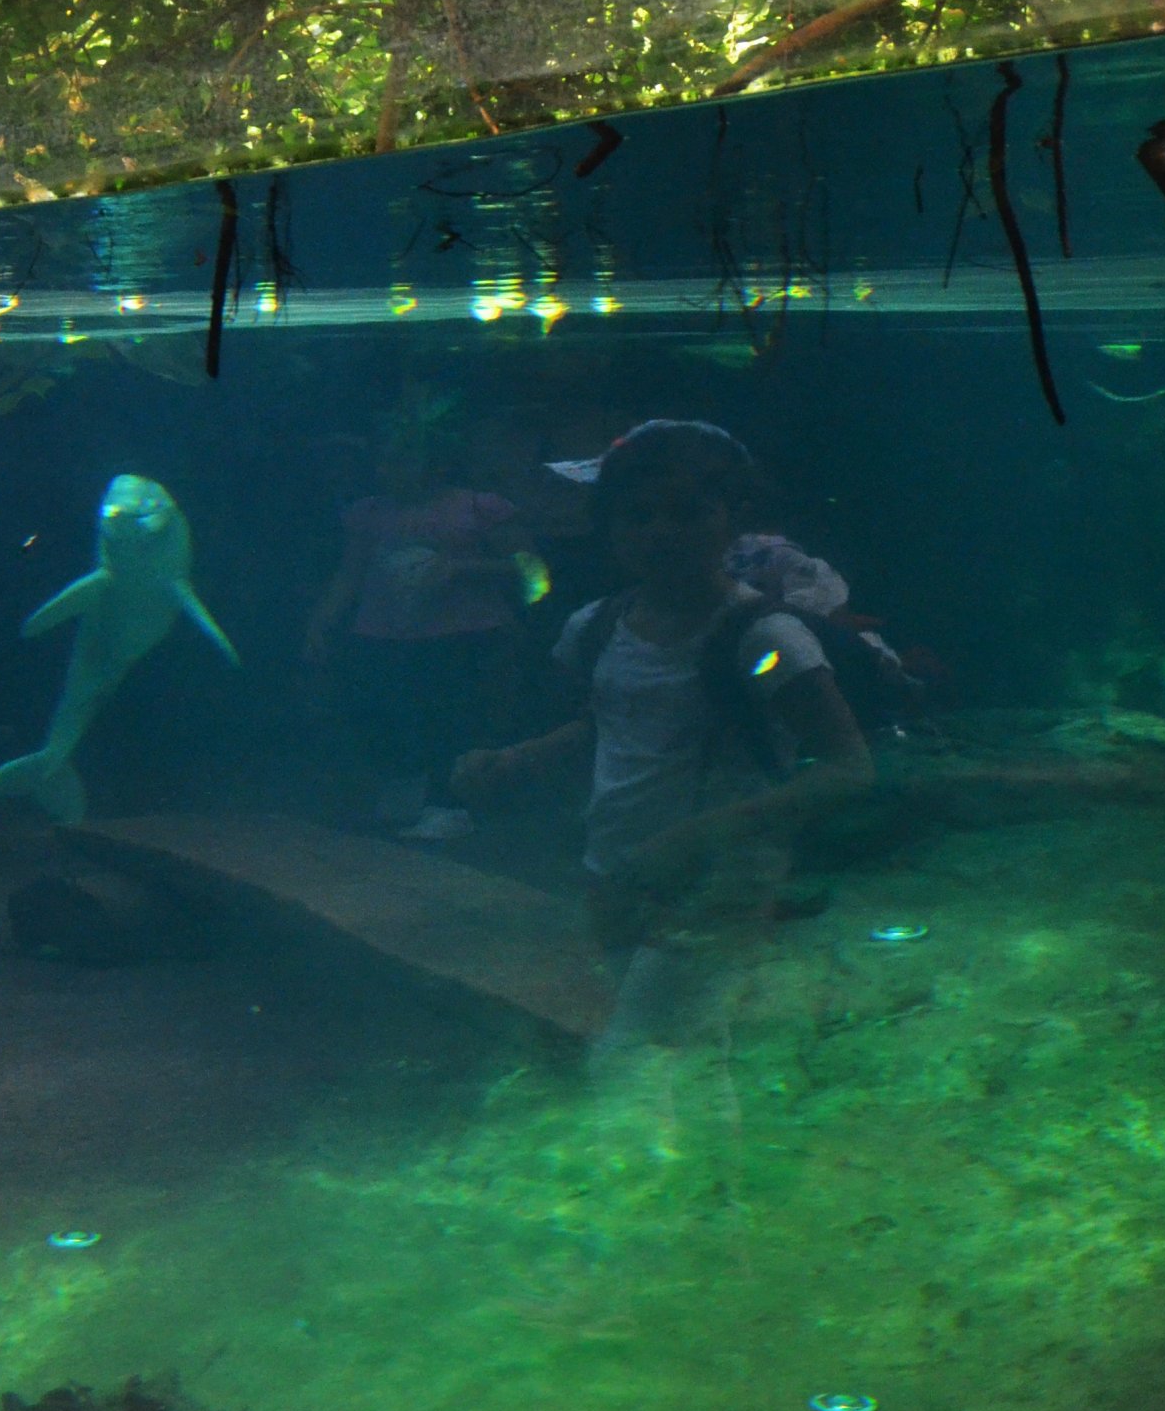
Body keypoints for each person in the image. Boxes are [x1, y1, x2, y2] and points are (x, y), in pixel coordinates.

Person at [451, 419, 873, 1058]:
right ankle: (723, 1155)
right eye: (638, 516)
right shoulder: (595, 627)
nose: (659, 532)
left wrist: (700, 835)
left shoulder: (765, 639)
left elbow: (847, 767)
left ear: (734, 519)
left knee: (629, 1055)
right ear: (611, 527)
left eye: (687, 513)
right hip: (617, 867)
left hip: (720, 879)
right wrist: (513, 761)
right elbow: (608, 727)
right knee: (696, 1048)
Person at [302, 422, 527, 841]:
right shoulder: (370, 513)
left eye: (400, 460)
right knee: (389, 717)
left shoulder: (477, 508)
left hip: (464, 633)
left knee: (453, 719)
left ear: (437, 465)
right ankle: (403, 799)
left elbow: (530, 568)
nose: (386, 469)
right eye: (384, 459)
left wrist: (462, 568)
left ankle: (451, 805)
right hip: (383, 633)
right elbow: (349, 574)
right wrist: (323, 621)